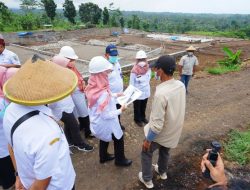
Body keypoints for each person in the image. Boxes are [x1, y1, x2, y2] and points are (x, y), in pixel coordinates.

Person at [3, 55, 76, 190]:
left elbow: (10, 145)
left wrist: (18, 175)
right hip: (59, 185)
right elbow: (42, 181)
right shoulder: (48, 132)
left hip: (27, 179)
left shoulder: (10, 110)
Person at [139, 55, 186, 189]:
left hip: (161, 132)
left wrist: (148, 140)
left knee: (146, 151)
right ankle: (162, 171)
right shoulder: (180, 85)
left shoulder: (161, 94)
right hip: (174, 129)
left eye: (156, 68)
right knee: (165, 151)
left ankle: (147, 179)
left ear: (160, 71)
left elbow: (157, 124)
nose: (155, 71)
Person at [85, 56, 132, 167]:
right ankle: (120, 160)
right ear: (100, 74)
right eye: (106, 72)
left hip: (98, 122)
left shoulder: (93, 86)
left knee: (104, 138)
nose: (108, 74)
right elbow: (106, 115)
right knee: (118, 137)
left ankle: (103, 156)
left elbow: (106, 95)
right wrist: (120, 110)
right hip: (106, 122)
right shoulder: (102, 93)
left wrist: (116, 95)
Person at [57, 46, 92, 138]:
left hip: (78, 92)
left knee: (83, 111)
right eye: (71, 59)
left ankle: (87, 129)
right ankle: (82, 127)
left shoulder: (71, 67)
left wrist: (82, 81)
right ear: (64, 59)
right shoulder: (61, 69)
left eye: (73, 59)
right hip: (71, 94)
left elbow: (78, 76)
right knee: (77, 112)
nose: (73, 61)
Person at [0, 66, 18, 190]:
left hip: (8, 146)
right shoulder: (2, 101)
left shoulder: (5, 97)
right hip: (3, 149)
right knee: (9, 180)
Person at [105, 44, 125, 130]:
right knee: (111, 113)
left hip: (119, 94)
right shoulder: (104, 67)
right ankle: (112, 128)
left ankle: (118, 124)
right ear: (106, 55)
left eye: (116, 55)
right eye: (112, 55)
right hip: (111, 96)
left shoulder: (117, 63)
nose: (114, 57)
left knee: (118, 111)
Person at [130, 50, 151, 127]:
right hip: (137, 92)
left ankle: (143, 117)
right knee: (137, 107)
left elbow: (148, 79)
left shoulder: (148, 68)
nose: (142, 61)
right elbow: (131, 83)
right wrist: (131, 93)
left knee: (144, 105)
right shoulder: (134, 70)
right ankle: (137, 119)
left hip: (145, 91)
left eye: (143, 59)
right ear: (137, 60)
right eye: (140, 59)